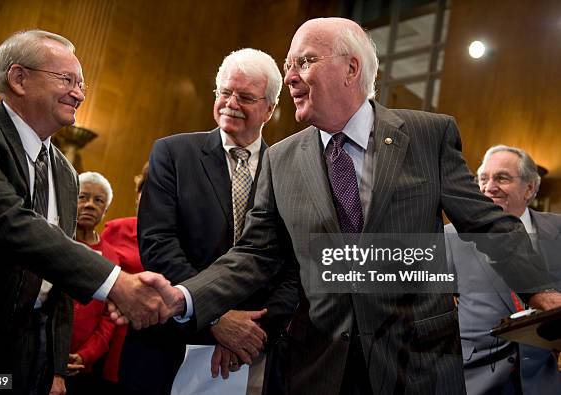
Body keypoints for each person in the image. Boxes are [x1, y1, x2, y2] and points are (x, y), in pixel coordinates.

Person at [120, 17, 561, 395]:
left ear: (352, 68)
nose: (289, 75)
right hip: (316, 367)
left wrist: (540, 293)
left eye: (304, 62)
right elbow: (255, 255)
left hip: (417, 364)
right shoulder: (281, 157)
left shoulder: (428, 134)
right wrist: (185, 297)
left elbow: (485, 223)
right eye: (289, 63)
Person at [0, 29, 169, 394]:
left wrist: (56, 366)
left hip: (34, 350)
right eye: (67, 80)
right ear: (19, 78)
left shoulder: (67, 174)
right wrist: (116, 284)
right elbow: (15, 225)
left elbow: (59, 272)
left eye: (82, 83)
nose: (79, 94)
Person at [120, 48, 299, 395]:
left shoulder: (289, 170)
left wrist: (251, 332)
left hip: (252, 351)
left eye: (245, 97)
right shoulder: (171, 154)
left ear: (270, 109)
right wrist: (216, 317)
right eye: (224, 92)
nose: (231, 103)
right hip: (170, 343)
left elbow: (292, 265)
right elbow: (158, 245)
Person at [446, 145, 561, 394]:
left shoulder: (558, 230)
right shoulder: (449, 236)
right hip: (475, 380)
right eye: (483, 178)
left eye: (502, 178)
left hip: (544, 380)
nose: (489, 187)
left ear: (530, 188)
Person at [67, 172, 118, 394]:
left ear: (105, 210)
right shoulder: (54, 242)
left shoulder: (112, 257)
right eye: (82, 197)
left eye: (98, 200)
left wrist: (86, 355)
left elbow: (109, 318)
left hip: (83, 368)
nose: (89, 205)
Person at [99, 163, 147, 388]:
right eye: (145, 191)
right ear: (137, 195)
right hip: (108, 331)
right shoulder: (116, 229)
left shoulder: (179, 239)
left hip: (149, 337)